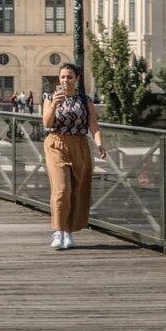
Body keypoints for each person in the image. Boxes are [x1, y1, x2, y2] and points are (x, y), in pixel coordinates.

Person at [42, 63, 106, 250]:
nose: (65, 80)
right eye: (62, 77)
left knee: (77, 190)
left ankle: (69, 232)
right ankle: (58, 231)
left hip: (79, 145)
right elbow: (46, 122)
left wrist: (99, 143)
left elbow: (93, 125)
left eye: (69, 77)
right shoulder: (49, 97)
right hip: (56, 143)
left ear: (77, 79)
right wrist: (54, 104)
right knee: (62, 189)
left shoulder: (85, 100)